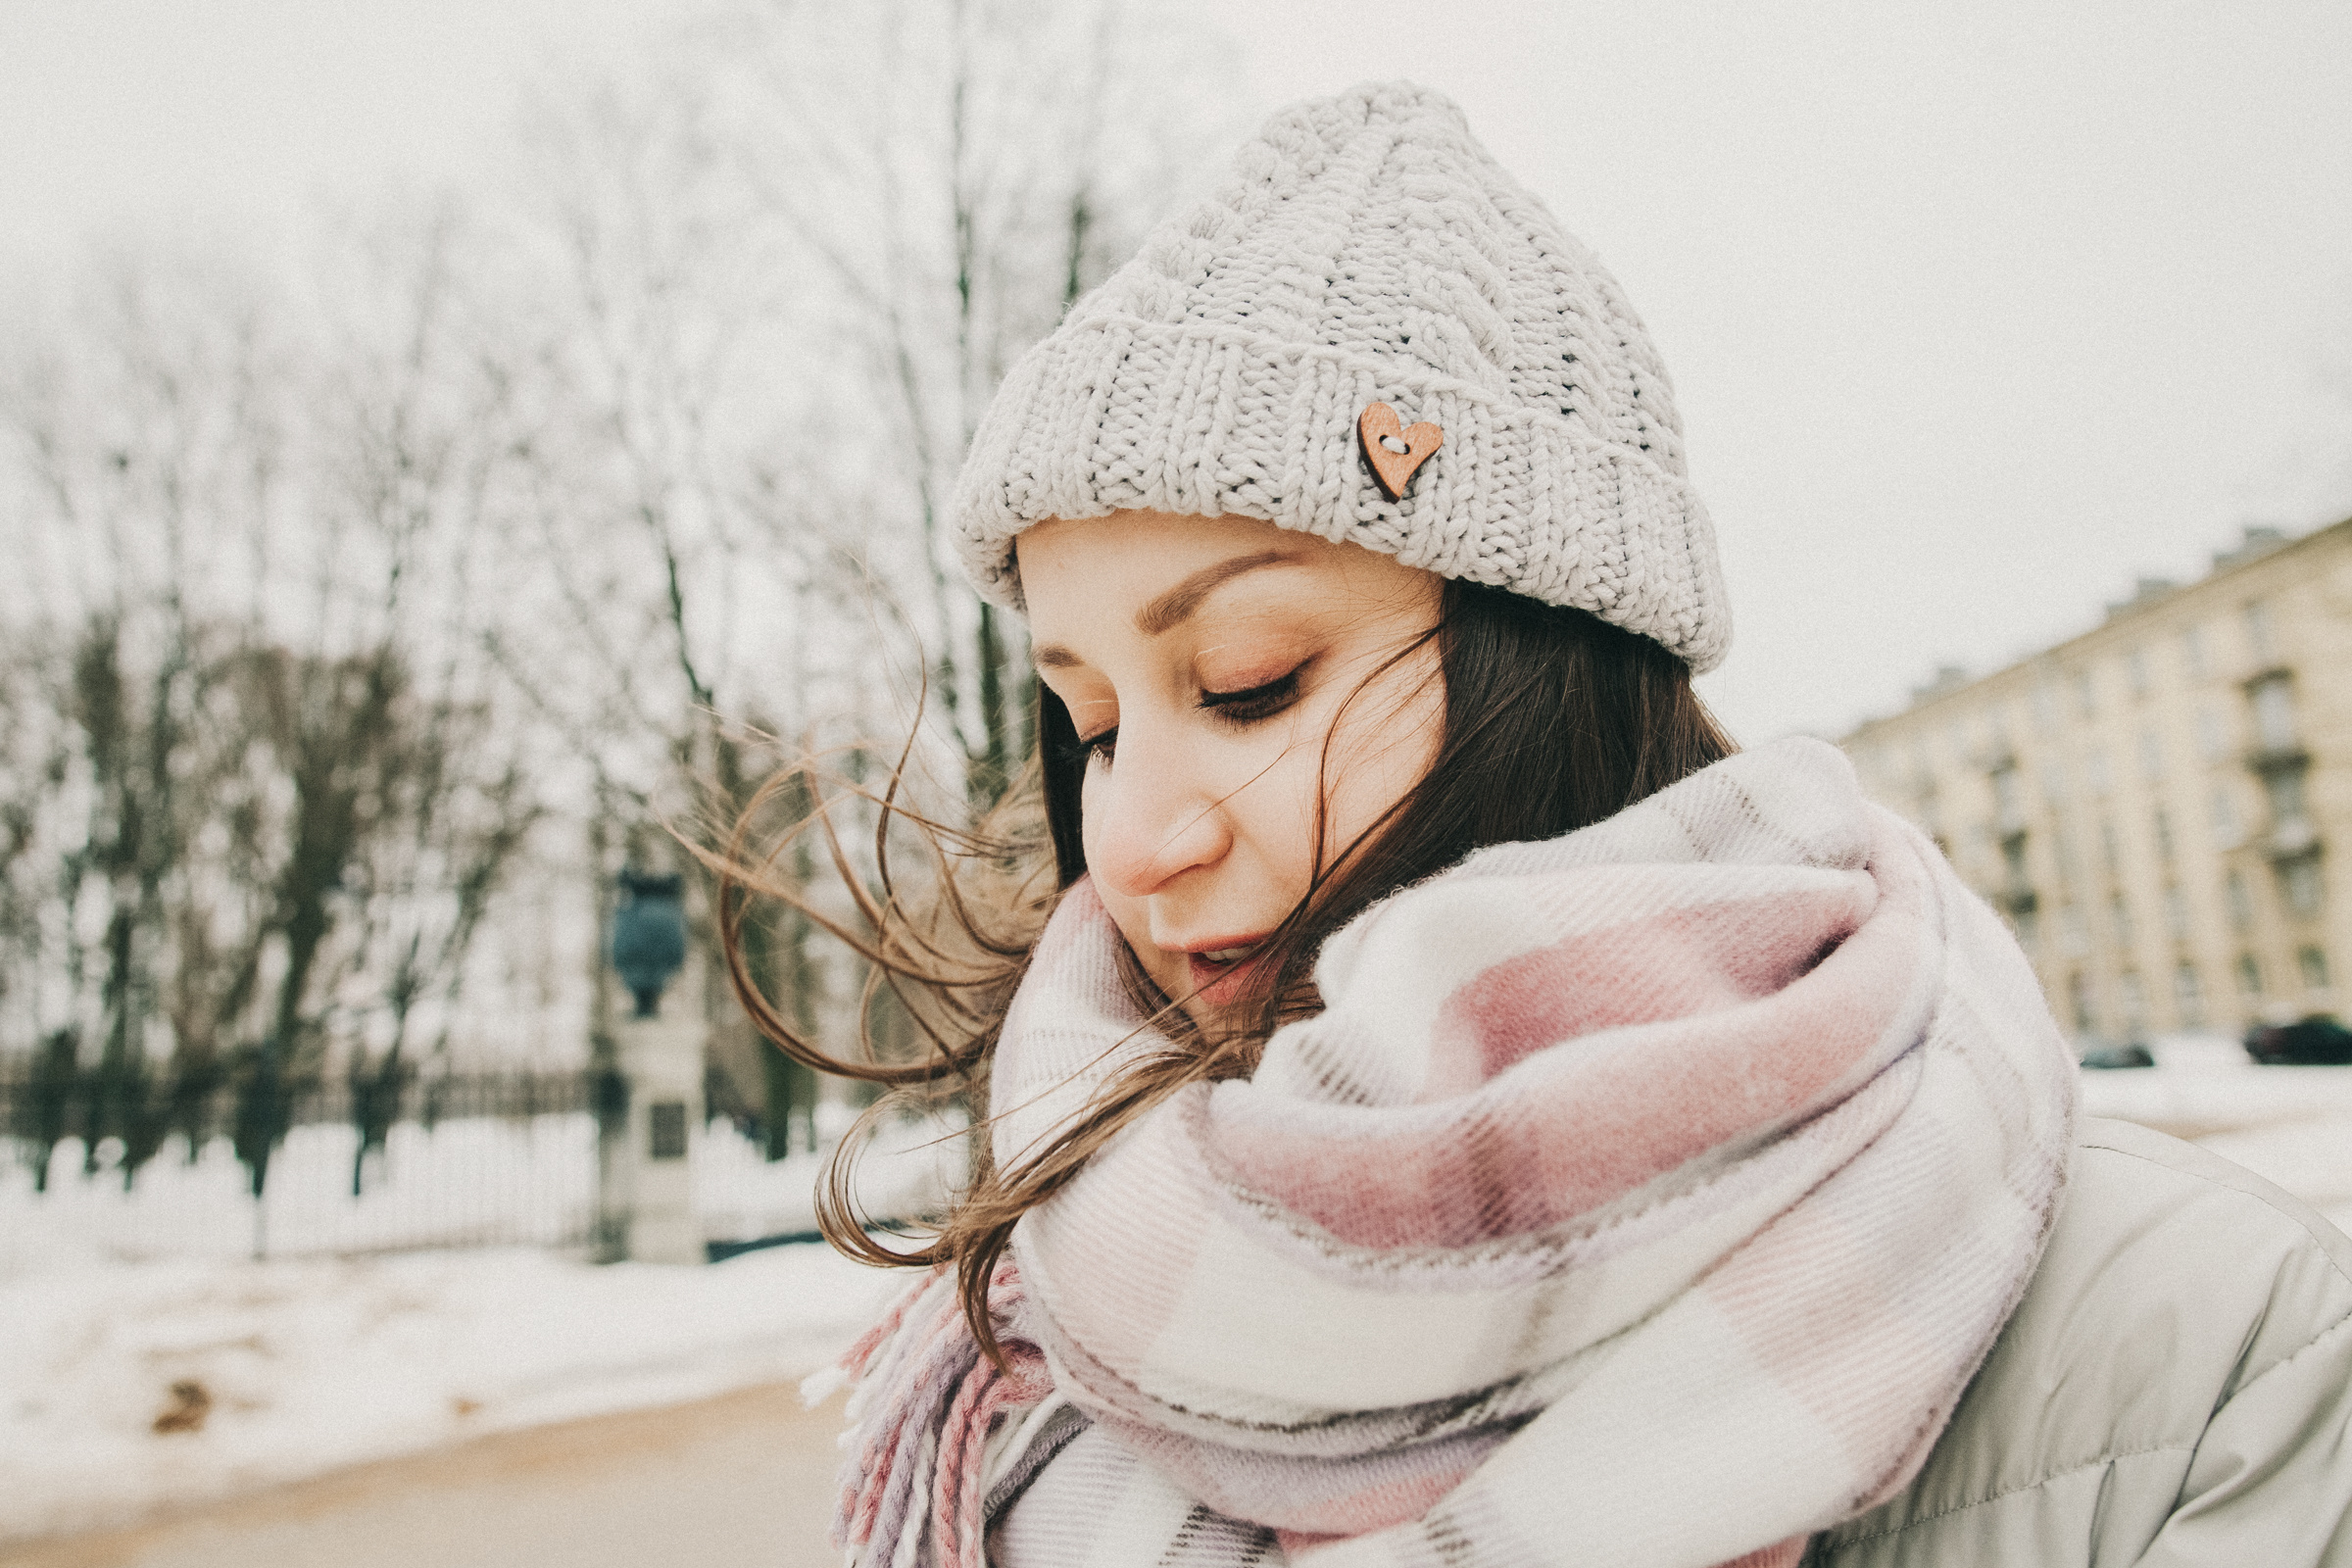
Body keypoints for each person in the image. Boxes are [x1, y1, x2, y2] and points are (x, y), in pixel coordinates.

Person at [727, 82, 2352, 1567]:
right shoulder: (1022, 1359)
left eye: (1246, 683)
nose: (1135, 840)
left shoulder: (2216, 1343)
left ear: (1547, 666)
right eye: (1089, 726)